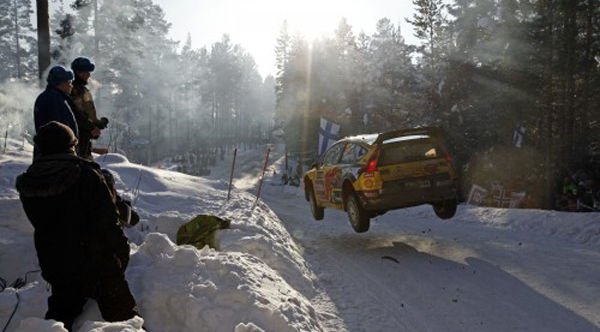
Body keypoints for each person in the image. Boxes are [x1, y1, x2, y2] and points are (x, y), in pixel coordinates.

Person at [15, 121, 139, 331]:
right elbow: (108, 224)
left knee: (59, 319)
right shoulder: (86, 175)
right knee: (124, 321)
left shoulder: (30, 182)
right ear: (70, 146)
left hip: (56, 265)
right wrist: (121, 255)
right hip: (98, 264)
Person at [70, 57, 107, 159]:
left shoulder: (84, 90)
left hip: (85, 137)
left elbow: (87, 112)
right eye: (86, 71)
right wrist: (91, 127)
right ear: (78, 72)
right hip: (78, 137)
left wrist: (98, 123)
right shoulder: (74, 90)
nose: (89, 75)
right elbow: (77, 115)